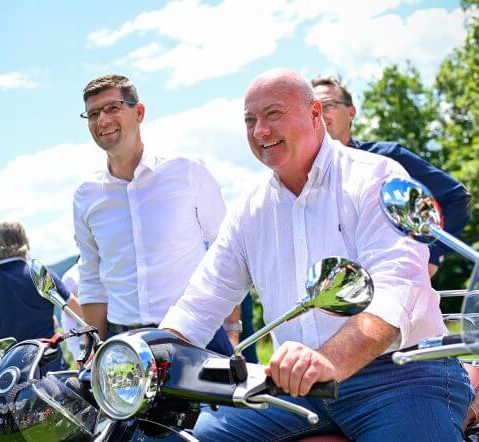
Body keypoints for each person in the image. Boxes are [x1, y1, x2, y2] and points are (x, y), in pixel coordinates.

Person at [159, 69, 473, 441]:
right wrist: (148, 353)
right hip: (297, 385)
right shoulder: (249, 209)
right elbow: (199, 304)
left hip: (400, 376)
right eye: (250, 120)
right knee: (179, 437)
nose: (260, 131)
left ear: (314, 114)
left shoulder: (375, 175)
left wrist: (328, 360)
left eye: (273, 114)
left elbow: (396, 288)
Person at [74, 74, 236, 355]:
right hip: (123, 345)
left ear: (139, 112)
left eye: (112, 108)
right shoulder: (86, 195)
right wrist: (91, 351)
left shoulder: (186, 170)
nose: (102, 120)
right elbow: (91, 278)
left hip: (196, 334)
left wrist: (232, 329)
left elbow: (227, 251)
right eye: (93, 114)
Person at [312, 75, 470, 277]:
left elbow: (457, 197)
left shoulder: (387, 159)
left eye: (328, 105)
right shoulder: (300, 174)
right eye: (313, 110)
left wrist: (433, 254)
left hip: (390, 283)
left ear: (351, 112)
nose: (320, 114)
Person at [0, 221, 81, 389]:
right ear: (25, 242)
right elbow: (77, 310)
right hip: (50, 372)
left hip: (7, 379)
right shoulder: (39, 274)